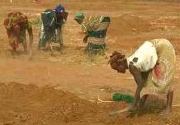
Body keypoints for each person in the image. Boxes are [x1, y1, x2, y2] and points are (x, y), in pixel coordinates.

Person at [109, 38, 176, 115]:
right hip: (155, 45)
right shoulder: (132, 61)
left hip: (164, 49)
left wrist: (133, 104)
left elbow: (140, 84)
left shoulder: (132, 67)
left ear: (120, 64)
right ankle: (141, 105)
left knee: (165, 79)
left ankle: (169, 108)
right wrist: (140, 104)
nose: (118, 71)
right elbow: (143, 82)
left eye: (117, 68)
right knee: (147, 80)